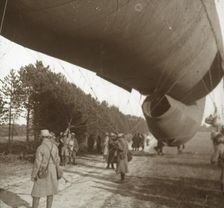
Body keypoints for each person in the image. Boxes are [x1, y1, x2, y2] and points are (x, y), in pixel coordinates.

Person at [31, 129, 60, 208]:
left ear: (41, 137)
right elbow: (58, 160)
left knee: (36, 192)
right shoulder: (54, 146)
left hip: (43, 171)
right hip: (53, 170)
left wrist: (33, 175)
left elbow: (37, 163)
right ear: (48, 137)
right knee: (50, 191)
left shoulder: (40, 148)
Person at [211, 129, 224, 194]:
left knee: (223, 176)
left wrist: (213, 161)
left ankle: (222, 188)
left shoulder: (219, 146)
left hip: (222, 161)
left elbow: (215, 156)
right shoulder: (220, 146)